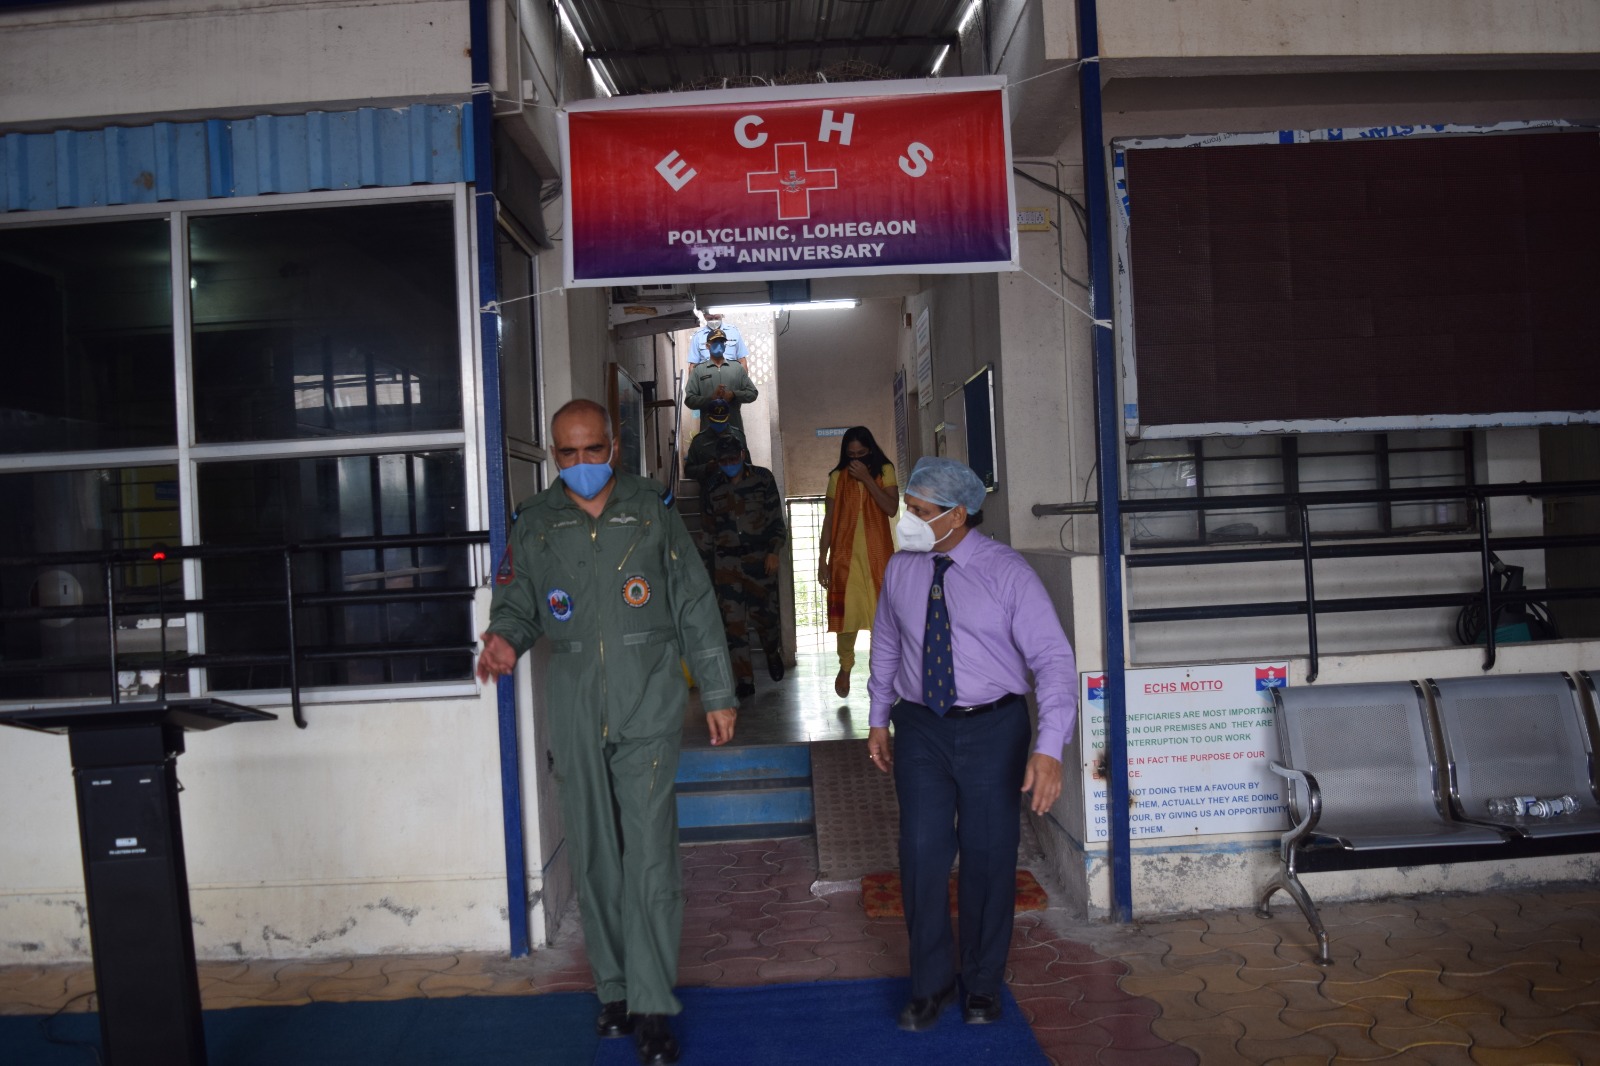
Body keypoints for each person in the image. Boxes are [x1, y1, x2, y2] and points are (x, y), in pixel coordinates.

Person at [476, 399, 736, 1066]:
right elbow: (518, 604)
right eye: (568, 453)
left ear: (613, 446)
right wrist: (504, 639)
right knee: (593, 853)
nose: (582, 463)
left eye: (593, 449)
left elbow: (694, 600)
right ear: (553, 452)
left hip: (647, 702)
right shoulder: (536, 522)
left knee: (649, 856)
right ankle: (614, 989)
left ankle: (652, 1005)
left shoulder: (651, 509)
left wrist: (717, 691)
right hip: (575, 705)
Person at [865, 457, 1077, 1033]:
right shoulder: (902, 569)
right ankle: (930, 984)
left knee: (988, 854)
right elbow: (887, 643)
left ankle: (982, 982)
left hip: (993, 729)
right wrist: (878, 718)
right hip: (921, 727)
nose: (907, 521)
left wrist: (1050, 746)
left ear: (957, 515)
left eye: (919, 512)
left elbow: (1053, 660)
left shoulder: (1008, 573)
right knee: (921, 852)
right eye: (908, 509)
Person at [702, 433, 786, 699]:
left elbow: (776, 521)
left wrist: (774, 552)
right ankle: (745, 680)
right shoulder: (712, 486)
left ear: (742, 455)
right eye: (723, 461)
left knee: (766, 619)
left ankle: (772, 652)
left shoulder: (763, 479)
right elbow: (707, 532)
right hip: (726, 565)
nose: (729, 464)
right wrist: (704, 569)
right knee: (734, 625)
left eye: (732, 459)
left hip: (760, 561)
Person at [817, 427, 898, 698]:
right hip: (844, 558)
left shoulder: (885, 470)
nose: (856, 459)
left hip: (878, 557)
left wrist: (867, 479)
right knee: (847, 618)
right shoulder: (837, 477)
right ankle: (845, 665)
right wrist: (822, 558)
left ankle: (880, 675)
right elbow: (829, 520)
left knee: (881, 620)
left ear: (870, 450)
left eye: (861, 454)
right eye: (851, 455)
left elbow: (891, 508)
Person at [684, 328, 758, 434]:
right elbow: (689, 400)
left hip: (734, 431)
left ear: (725, 345)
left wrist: (733, 395)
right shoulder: (699, 371)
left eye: (721, 342)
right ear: (707, 346)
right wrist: (710, 399)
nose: (719, 345)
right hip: (708, 433)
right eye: (715, 342)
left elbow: (752, 393)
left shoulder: (737, 368)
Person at [682, 398, 745, 485]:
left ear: (728, 416)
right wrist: (706, 468)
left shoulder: (739, 436)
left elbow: (748, 465)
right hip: (710, 489)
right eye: (716, 421)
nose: (719, 424)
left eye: (722, 420)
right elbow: (688, 471)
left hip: (737, 488)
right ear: (708, 417)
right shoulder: (698, 441)